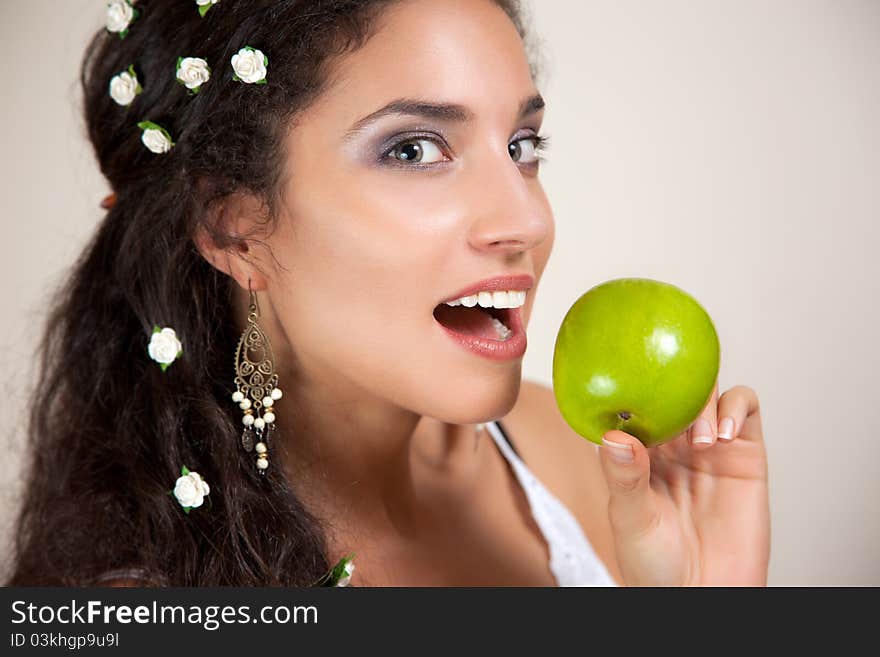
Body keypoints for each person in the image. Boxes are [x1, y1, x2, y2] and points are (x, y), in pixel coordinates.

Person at [5, 0, 769, 587]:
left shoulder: (581, 461)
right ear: (232, 226)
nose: (527, 219)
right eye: (413, 148)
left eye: (522, 147)